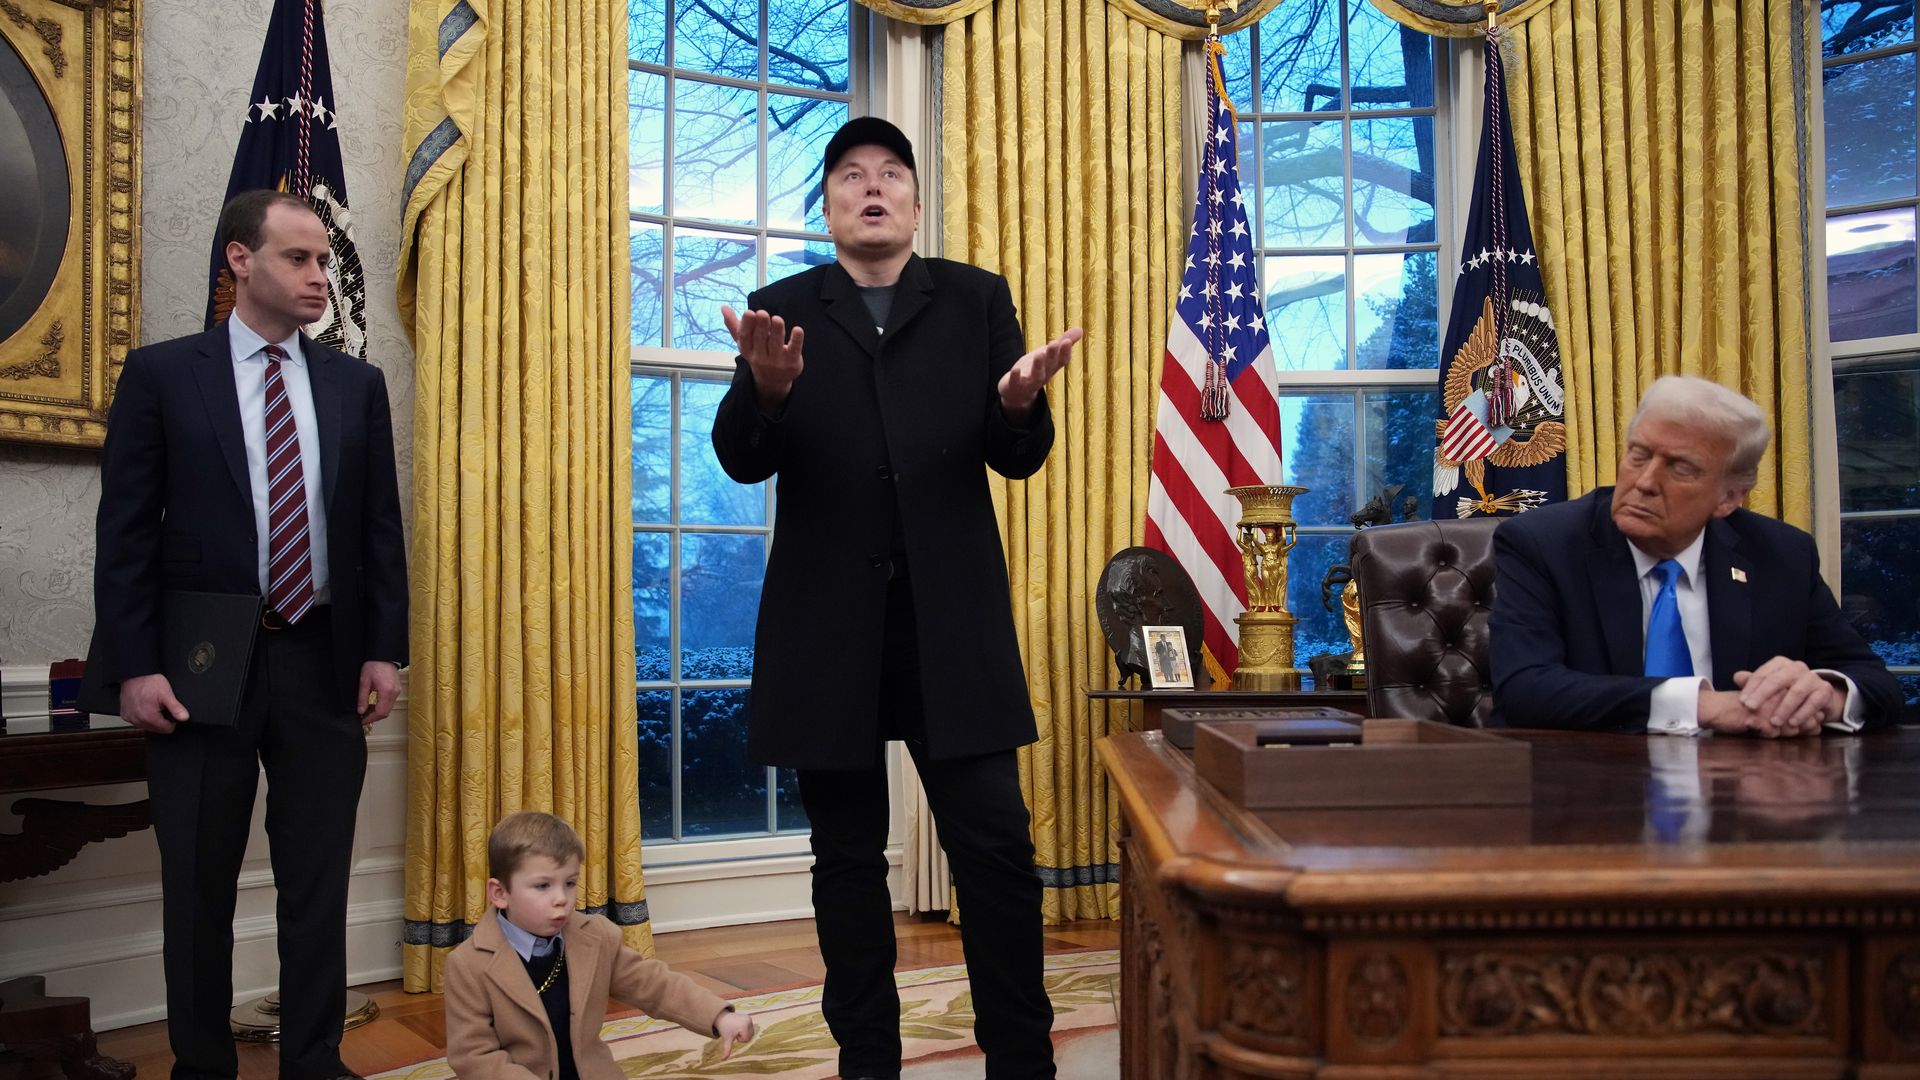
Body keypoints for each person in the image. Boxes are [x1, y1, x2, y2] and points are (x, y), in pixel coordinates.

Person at [710, 116, 1081, 1080]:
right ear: (828, 207)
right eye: (849, 177)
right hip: (826, 630)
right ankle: (865, 1063)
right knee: (844, 863)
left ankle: (1021, 1061)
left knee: (997, 851)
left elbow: (1020, 459)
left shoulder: (973, 300)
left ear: (915, 204)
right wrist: (770, 391)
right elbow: (742, 461)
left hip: (950, 626)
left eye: (890, 175)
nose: (871, 188)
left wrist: (1017, 404)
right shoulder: (779, 309)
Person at [89, 189, 408, 1080]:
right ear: (240, 261)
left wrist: (384, 648)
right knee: (199, 886)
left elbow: (378, 529)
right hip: (199, 669)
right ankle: (203, 1067)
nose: (320, 278)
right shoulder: (162, 374)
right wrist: (136, 665)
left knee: (317, 885)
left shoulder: (355, 383)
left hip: (324, 661)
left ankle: (315, 1061)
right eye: (299, 259)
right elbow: (126, 534)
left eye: (322, 262)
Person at [1490, 374, 1900, 735]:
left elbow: (1876, 684)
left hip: (1743, 798)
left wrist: (1823, 696)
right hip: (1586, 796)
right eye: (1638, 454)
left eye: (1680, 468)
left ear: (1729, 497)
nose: (1645, 482)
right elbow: (1526, 689)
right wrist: (1707, 706)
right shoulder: (1543, 543)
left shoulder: (1782, 555)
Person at [442, 812, 754, 1079]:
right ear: (499, 893)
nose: (561, 898)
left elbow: (655, 985)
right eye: (542, 886)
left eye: (570, 883)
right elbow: (475, 1057)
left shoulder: (596, 938)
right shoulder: (468, 965)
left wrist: (717, 1016)